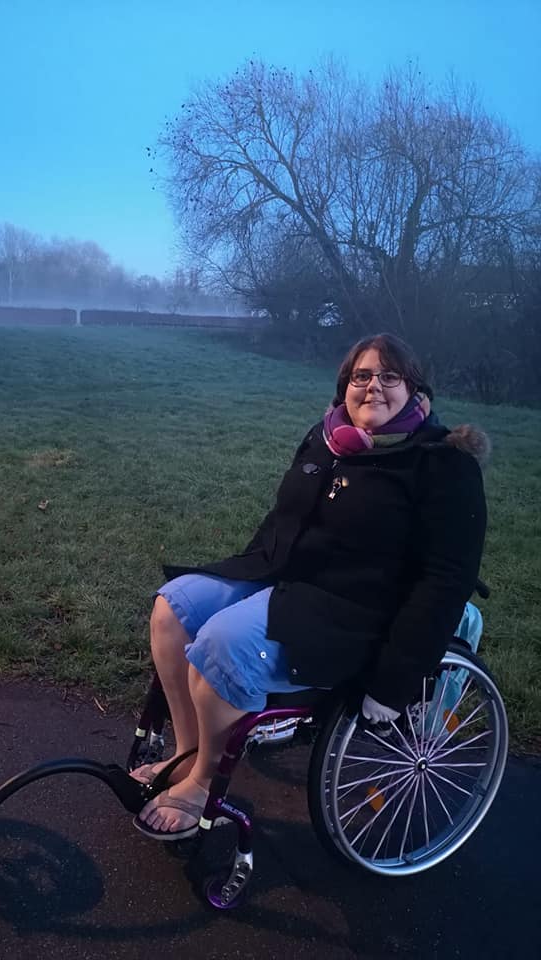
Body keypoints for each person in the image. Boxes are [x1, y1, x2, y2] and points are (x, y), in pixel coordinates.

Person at [131, 333, 489, 840]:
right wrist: (246, 570)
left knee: (220, 644)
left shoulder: (443, 465)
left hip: (360, 608)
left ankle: (202, 782)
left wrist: (394, 681)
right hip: (292, 579)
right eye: (361, 376)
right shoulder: (327, 440)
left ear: (415, 391)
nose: (374, 387)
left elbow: (445, 580)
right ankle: (186, 756)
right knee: (174, 607)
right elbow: (284, 518)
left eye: (390, 377)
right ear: (345, 386)